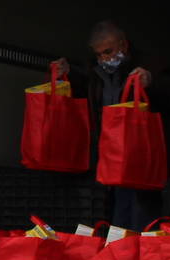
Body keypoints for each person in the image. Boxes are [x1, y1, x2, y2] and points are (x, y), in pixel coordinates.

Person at [54, 20, 159, 229]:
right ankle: (118, 251)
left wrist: (151, 82)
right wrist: (67, 74)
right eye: (99, 54)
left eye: (108, 51)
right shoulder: (95, 74)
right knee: (117, 209)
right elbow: (83, 89)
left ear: (123, 45)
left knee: (139, 210)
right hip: (110, 153)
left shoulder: (145, 66)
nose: (104, 58)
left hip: (138, 152)